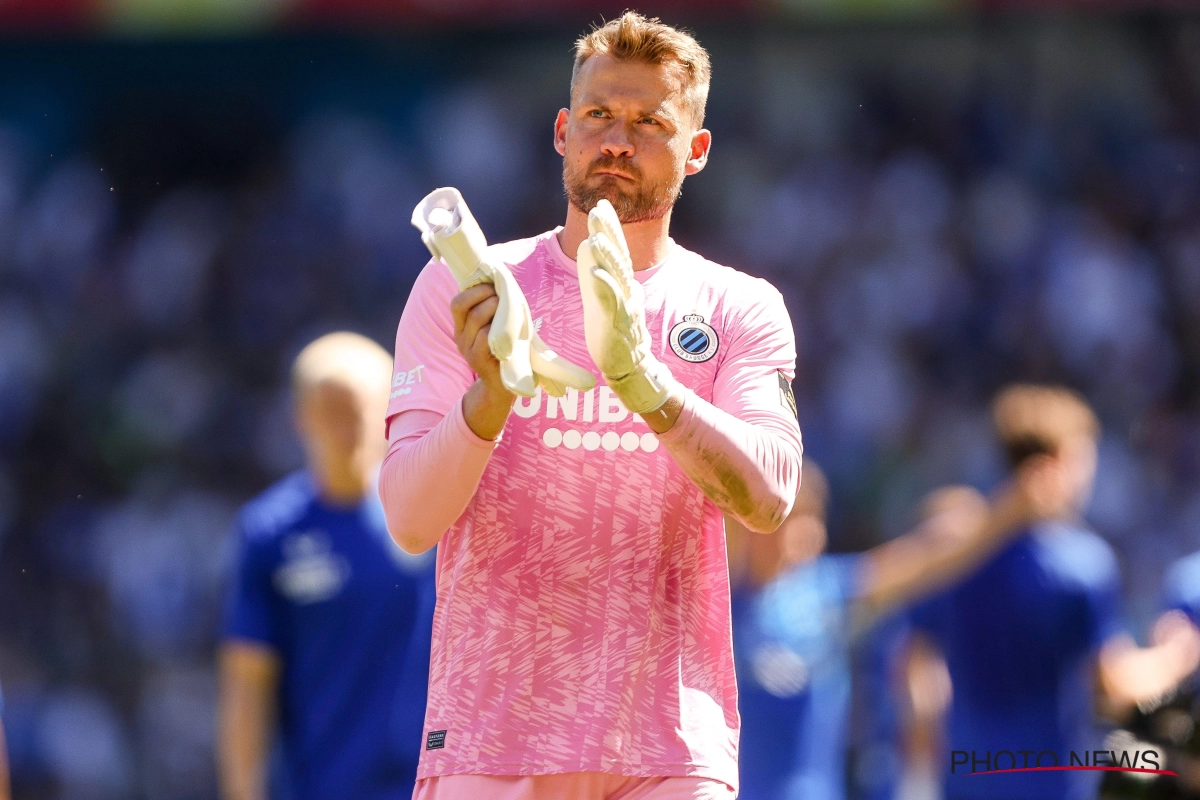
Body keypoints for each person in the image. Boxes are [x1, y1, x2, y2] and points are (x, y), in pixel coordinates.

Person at [380, 12, 804, 800]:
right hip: (488, 740)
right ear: (563, 131)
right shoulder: (467, 287)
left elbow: (770, 497)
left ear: (697, 151)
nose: (617, 140)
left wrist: (646, 385)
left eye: (650, 122)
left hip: (671, 749)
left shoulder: (737, 305)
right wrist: (492, 392)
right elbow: (408, 518)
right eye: (600, 116)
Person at [906, 384, 1200, 800]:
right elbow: (1114, 687)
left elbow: (917, 666)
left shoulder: (952, 557)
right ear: (1057, 463)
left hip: (963, 780)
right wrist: (1176, 656)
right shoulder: (1080, 566)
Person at [726, 462, 1052, 800]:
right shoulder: (722, 599)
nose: (805, 532)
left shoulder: (825, 592)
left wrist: (1006, 512)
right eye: (789, 519)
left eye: (813, 518)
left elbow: (921, 563)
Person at [219, 332, 436, 800]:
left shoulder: (437, 513)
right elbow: (247, 682)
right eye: (330, 410)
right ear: (301, 417)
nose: (347, 427)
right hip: (321, 786)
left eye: (357, 408)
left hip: (433, 785)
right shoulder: (272, 532)